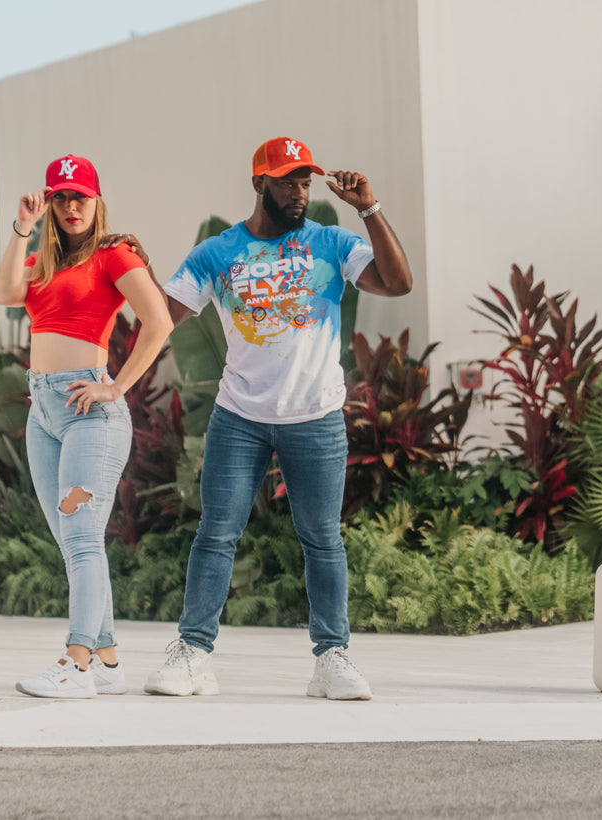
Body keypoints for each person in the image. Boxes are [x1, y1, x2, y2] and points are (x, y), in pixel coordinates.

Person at [138, 137, 413, 700]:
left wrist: (370, 209)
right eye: (287, 181)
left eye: (304, 182)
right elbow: (160, 316)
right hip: (239, 416)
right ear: (258, 183)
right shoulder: (218, 253)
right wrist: (132, 268)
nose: (298, 192)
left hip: (315, 417)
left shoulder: (332, 242)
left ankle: (331, 658)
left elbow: (397, 283)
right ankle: (192, 654)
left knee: (323, 540)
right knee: (216, 535)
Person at [0, 154, 172, 698]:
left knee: (81, 539)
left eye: (81, 197)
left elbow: (159, 321)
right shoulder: (42, 264)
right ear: (51, 203)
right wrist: (22, 226)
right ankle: (108, 662)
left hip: (90, 412)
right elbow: (5, 294)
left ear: (97, 202)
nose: (72, 207)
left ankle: (75, 664)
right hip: (44, 412)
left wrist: (116, 387)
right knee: (74, 541)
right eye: (62, 197)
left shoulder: (114, 254)